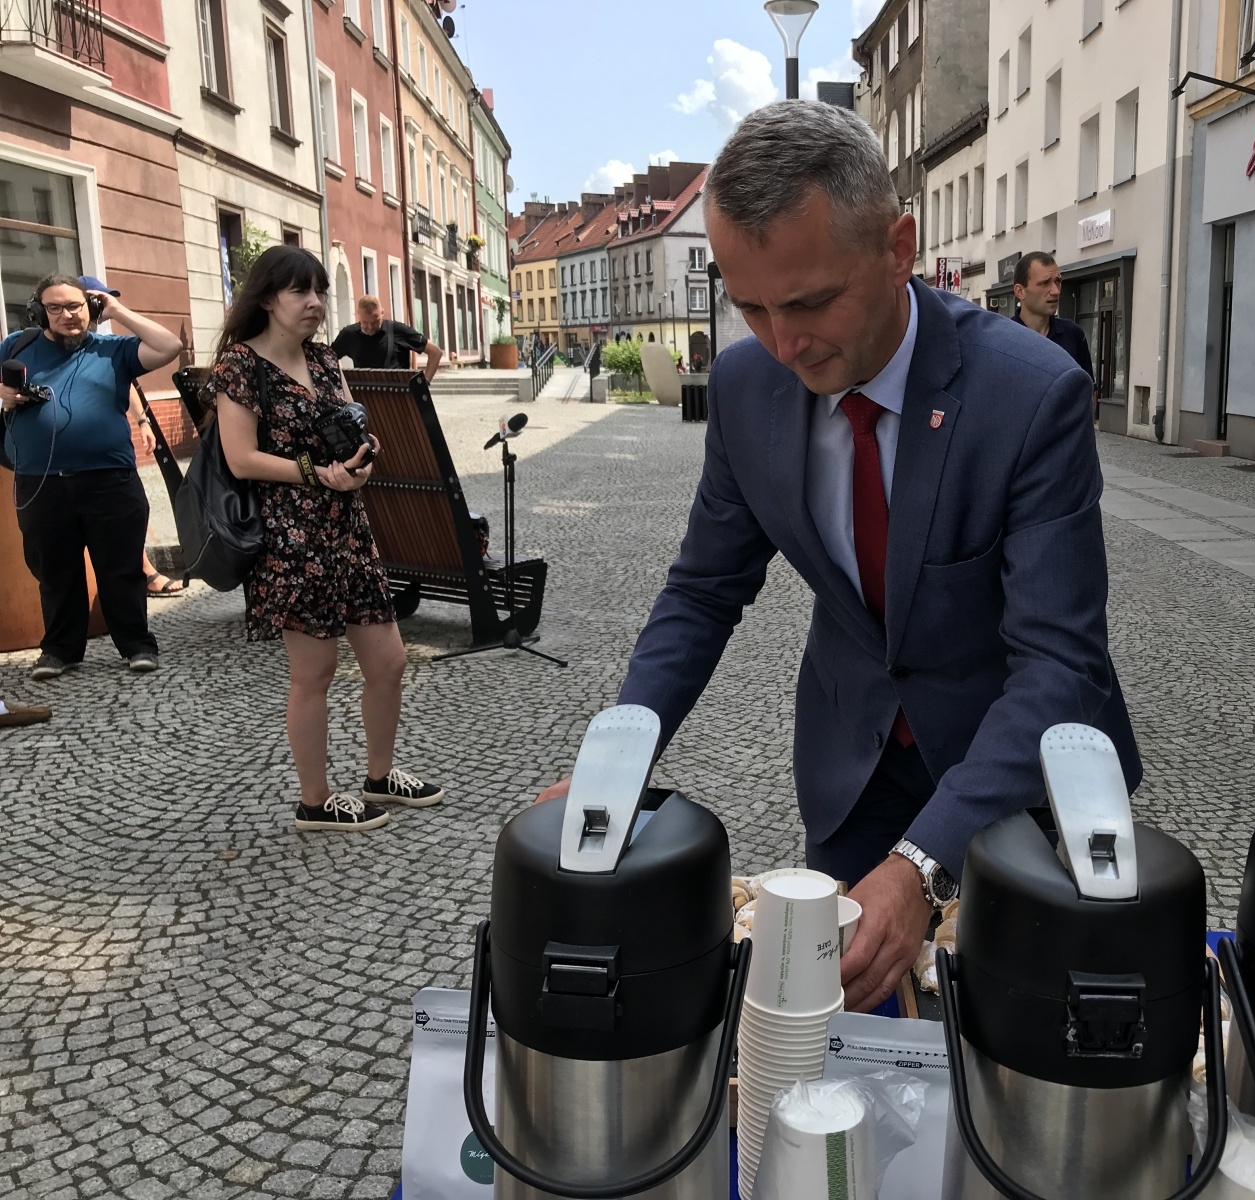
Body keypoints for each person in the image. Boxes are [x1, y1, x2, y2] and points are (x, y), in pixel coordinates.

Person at [536, 102, 1139, 1011]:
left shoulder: (1031, 395)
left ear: (899, 248)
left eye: (811, 302)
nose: (785, 344)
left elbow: (1061, 664)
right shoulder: (746, 387)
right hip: (855, 770)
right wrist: (617, 758)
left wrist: (924, 863)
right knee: (845, 1037)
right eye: (751, 307)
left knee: (1008, 1055)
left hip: (1023, 785)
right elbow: (703, 591)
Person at [203, 246, 443, 832]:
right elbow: (241, 458)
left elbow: (353, 422)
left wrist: (363, 458)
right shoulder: (241, 365)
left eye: (319, 292)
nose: (315, 302)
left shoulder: (325, 358)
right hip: (290, 538)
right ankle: (315, 802)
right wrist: (316, 473)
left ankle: (380, 777)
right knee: (314, 674)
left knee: (388, 662)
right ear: (268, 298)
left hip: (347, 529)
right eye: (301, 291)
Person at [1, 274, 181, 679]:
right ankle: (60, 651)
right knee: (54, 572)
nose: (67, 315)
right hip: (41, 483)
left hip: (109, 480)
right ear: (39, 312)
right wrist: (3, 393)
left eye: (75, 306)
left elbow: (169, 346)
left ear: (91, 308)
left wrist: (117, 310)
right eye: (55, 308)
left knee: (121, 568)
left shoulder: (113, 349)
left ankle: (137, 645)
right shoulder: (17, 346)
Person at [1012, 252, 1094, 380]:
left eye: (1058, 281)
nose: (1056, 291)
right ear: (1020, 291)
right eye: (1045, 283)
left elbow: (1086, 389)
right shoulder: (1004, 338)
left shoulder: (1073, 334)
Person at [331, 295, 443, 379]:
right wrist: (340, 380)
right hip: (364, 398)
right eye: (365, 322)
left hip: (398, 398)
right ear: (358, 314)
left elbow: (435, 352)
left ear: (382, 313)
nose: (370, 327)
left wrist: (425, 382)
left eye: (375, 322)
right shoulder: (349, 334)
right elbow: (329, 358)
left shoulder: (398, 330)